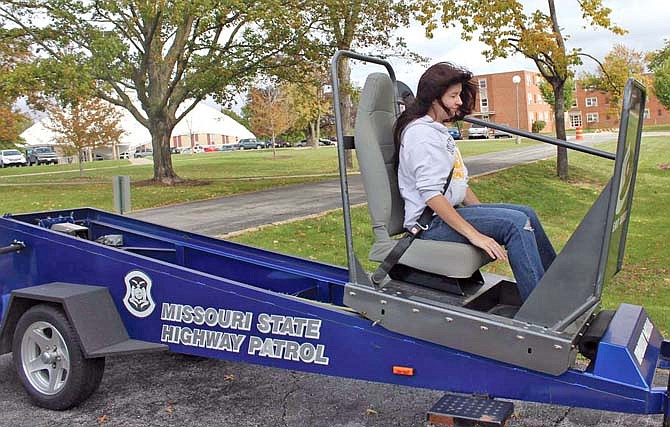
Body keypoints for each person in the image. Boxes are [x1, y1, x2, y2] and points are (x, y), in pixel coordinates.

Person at [395, 62, 556, 301]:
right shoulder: (422, 136)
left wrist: (486, 215)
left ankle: (556, 288)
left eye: (458, 94)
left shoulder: (435, 130)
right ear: (433, 98)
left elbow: (458, 183)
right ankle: (541, 310)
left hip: (444, 216)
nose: (459, 102)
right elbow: (431, 195)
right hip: (429, 225)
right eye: (453, 96)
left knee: (526, 213)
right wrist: (475, 234)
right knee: (515, 223)